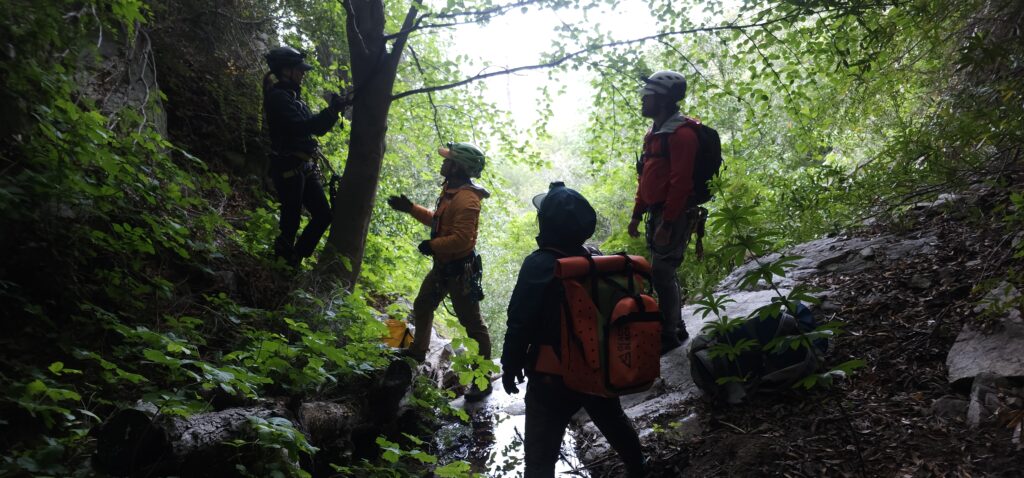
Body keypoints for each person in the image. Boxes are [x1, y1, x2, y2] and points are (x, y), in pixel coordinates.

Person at [502, 182, 647, 478]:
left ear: (545, 224)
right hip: (595, 369)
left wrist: (510, 364)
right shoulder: (596, 261)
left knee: (539, 461)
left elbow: (519, 321)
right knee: (615, 423)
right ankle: (639, 470)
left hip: (551, 377)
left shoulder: (538, 264)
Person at [386, 142, 493, 400]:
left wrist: (432, 245)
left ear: (458, 167)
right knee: (423, 305)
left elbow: (462, 240)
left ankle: (483, 380)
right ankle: (418, 352)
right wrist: (411, 209)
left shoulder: (467, 199)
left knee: (473, 325)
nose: (443, 163)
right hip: (444, 266)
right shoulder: (452, 191)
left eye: (448, 160)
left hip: (460, 271)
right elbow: (439, 220)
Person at [628, 70, 700, 353]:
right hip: (657, 213)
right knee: (663, 272)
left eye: (647, 96)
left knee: (662, 271)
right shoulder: (655, 134)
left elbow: (681, 183)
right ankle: (675, 326)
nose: (642, 100)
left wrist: (668, 223)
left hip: (673, 213)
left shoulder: (682, 135)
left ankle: (670, 333)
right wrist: (637, 214)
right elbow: (646, 177)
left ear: (663, 99)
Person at [263, 46, 349, 267]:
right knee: (290, 222)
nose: (303, 73)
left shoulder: (294, 98)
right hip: (288, 167)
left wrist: (333, 111)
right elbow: (302, 127)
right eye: (299, 69)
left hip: (303, 166)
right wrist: (330, 112)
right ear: (286, 70)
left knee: (323, 215)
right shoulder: (278, 98)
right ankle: (281, 265)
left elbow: (315, 128)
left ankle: (294, 258)